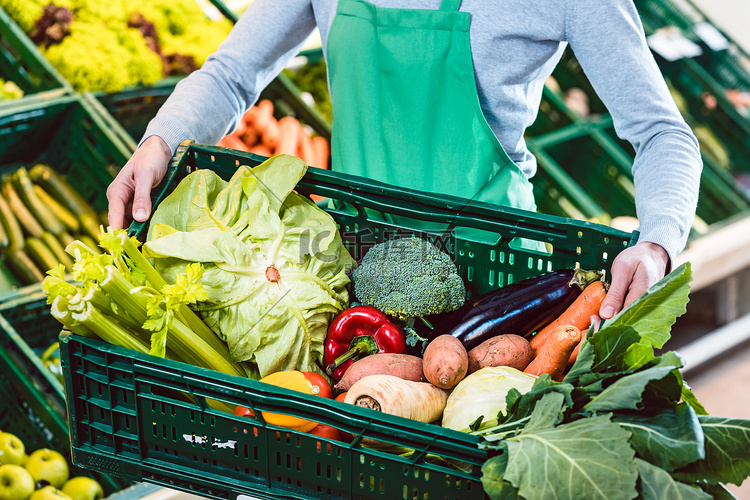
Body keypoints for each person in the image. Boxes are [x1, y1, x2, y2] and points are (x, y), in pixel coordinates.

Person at [106, 0, 702, 321]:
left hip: (500, 295)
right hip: (347, 275)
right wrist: (161, 140)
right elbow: (233, 74)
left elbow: (660, 131)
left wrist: (658, 241)